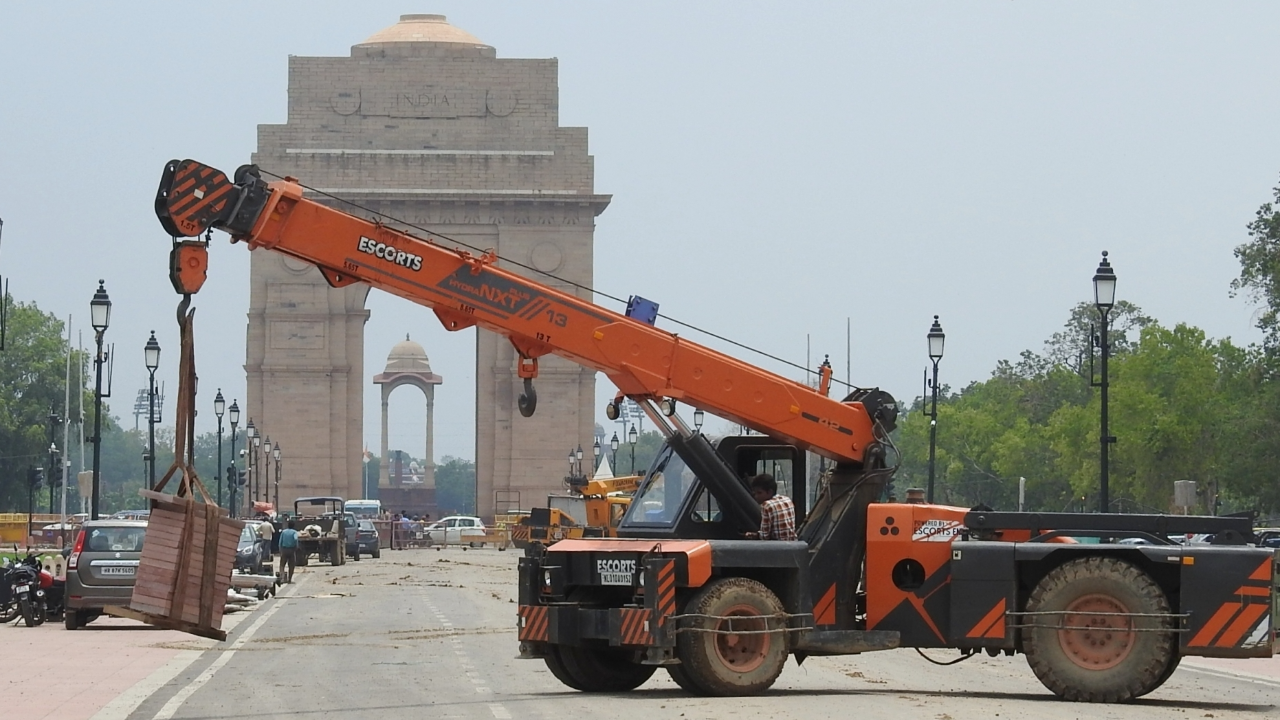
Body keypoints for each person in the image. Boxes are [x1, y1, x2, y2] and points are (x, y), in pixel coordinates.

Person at [748, 474, 797, 541]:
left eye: (759, 493)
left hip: (777, 547)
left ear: (770, 492)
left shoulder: (766, 506)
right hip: (792, 544)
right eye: (755, 493)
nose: (756, 496)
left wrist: (756, 535)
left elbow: (764, 536)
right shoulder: (787, 500)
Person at [278, 520, 299, 584]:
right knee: (291, 565)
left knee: (282, 565)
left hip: (284, 549)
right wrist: (296, 546)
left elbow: (280, 542)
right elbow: (295, 539)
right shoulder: (294, 532)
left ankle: (282, 578)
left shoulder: (284, 532)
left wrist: (280, 549)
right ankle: (289, 579)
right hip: (291, 550)